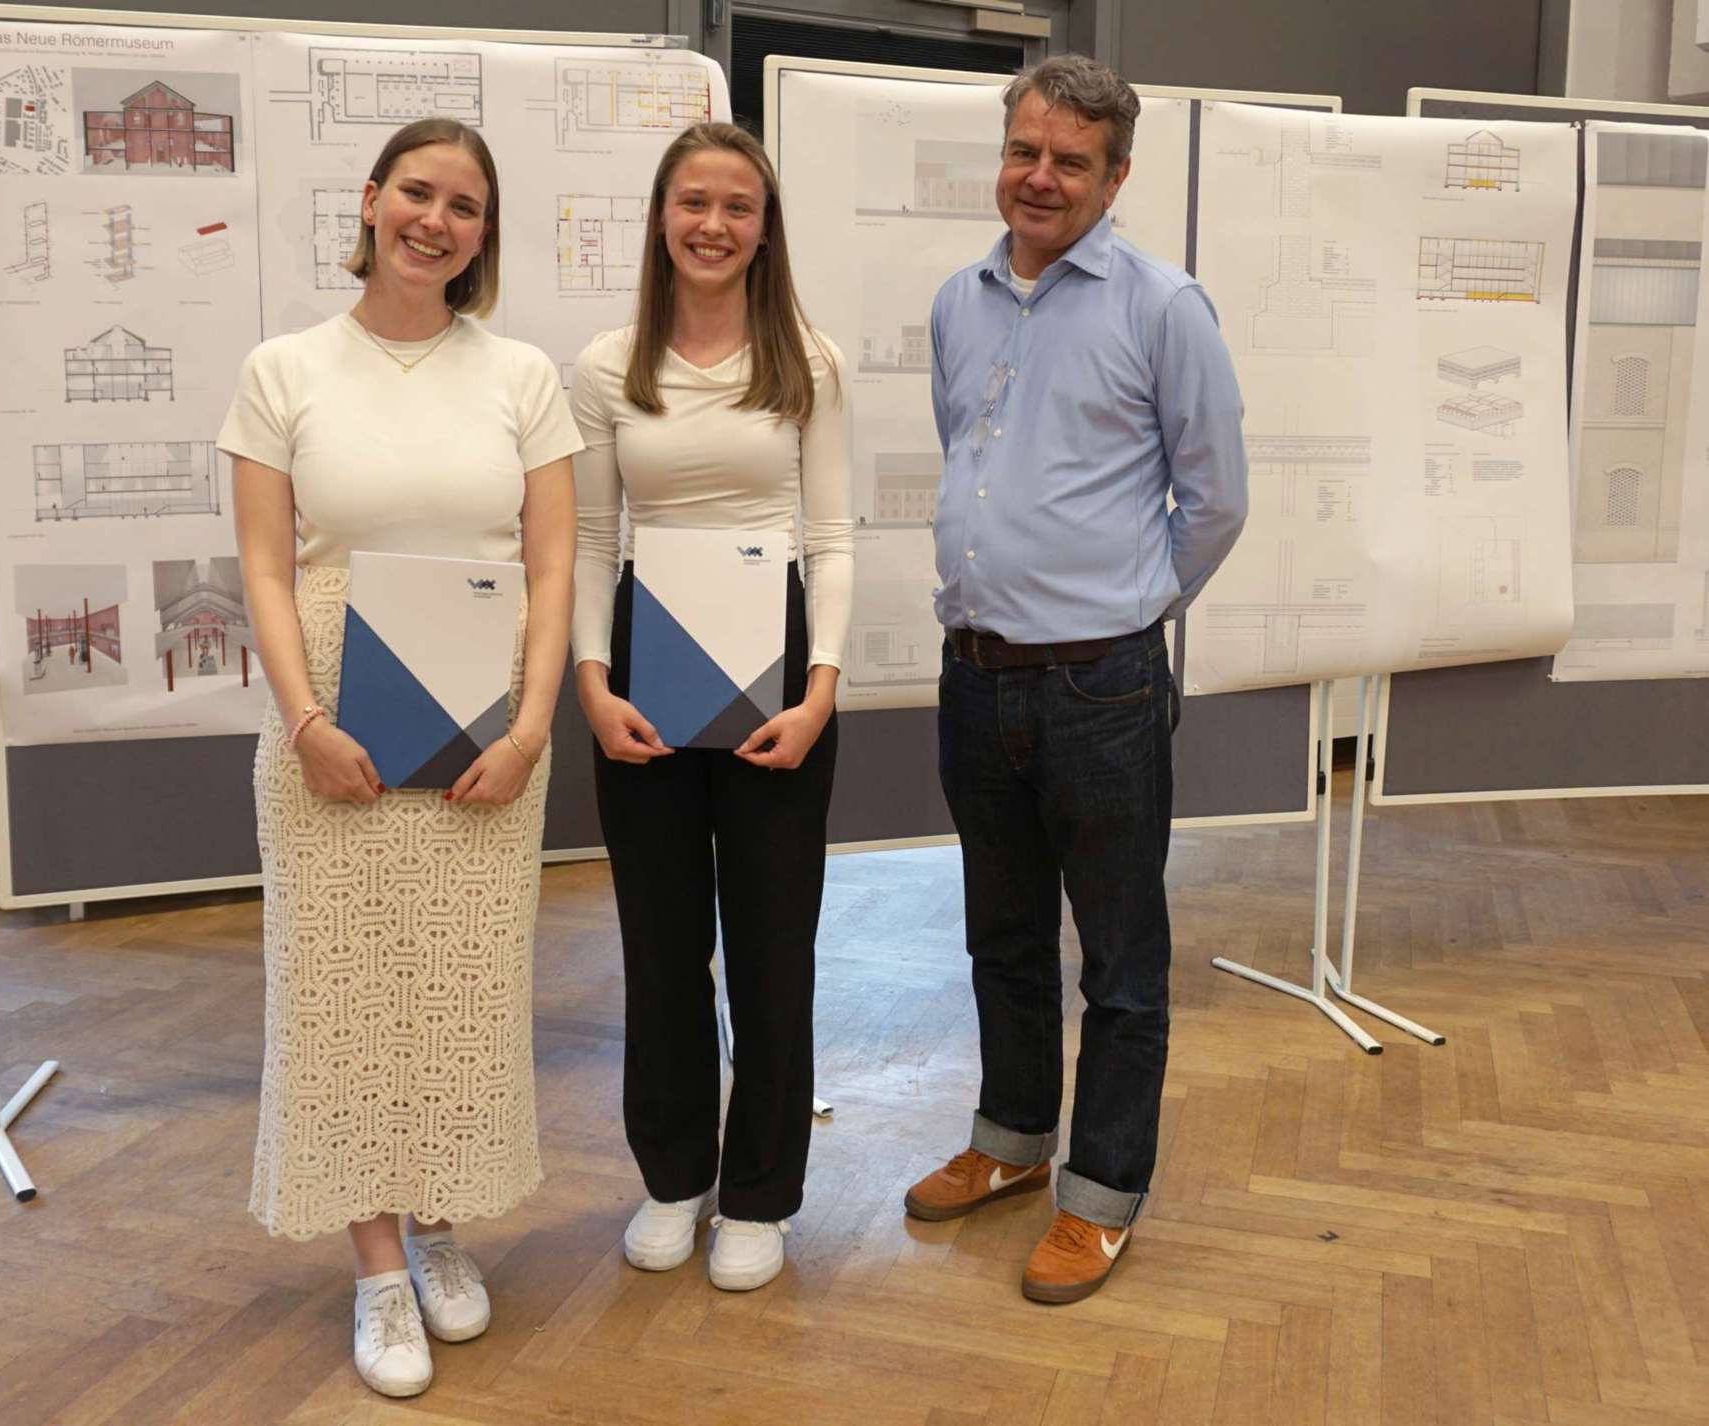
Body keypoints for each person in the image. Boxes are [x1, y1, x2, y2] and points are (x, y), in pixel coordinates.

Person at [220, 118, 580, 1398]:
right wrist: (305, 721)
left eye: (464, 206)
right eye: (417, 193)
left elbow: (553, 567)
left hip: (487, 716)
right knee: (341, 991)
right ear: (372, 202)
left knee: (462, 988)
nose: (436, 220)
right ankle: (376, 1265)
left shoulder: (521, 376)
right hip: (332, 711)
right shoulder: (284, 370)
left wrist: (531, 730)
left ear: (483, 235)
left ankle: (436, 1223)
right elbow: (266, 566)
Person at [901, 55, 1248, 1304]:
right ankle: (1009, 1140)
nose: (1039, 177)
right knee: (999, 936)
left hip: (1101, 689)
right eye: (1025, 151)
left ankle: (1098, 1194)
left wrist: (1126, 611)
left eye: (1070, 161)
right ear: (1003, 153)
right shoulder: (958, 302)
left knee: (1119, 960)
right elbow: (970, 457)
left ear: (1114, 178)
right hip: (975, 677)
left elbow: (1215, 501)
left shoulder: (1164, 308)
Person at [570, 121, 852, 1293]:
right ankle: (674, 1176)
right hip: (645, 658)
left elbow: (829, 538)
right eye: (694, 201)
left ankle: (759, 1193)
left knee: (772, 947)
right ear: (660, 216)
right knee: (661, 942)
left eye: (738, 206)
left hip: (778, 667)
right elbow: (592, 540)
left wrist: (820, 691)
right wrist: (591, 682)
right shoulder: (607, 366)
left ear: (764, 229)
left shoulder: (808, 362)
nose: (713, 224)